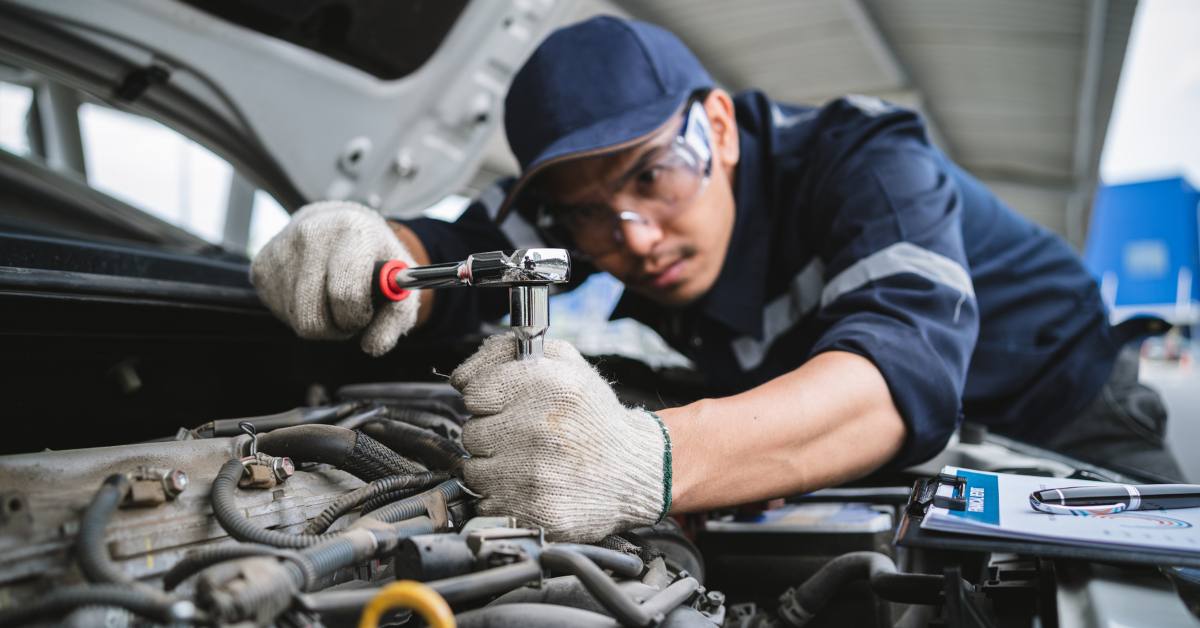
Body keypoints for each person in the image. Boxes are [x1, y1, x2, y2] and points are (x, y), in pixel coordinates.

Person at [250, 16, 1185, 542]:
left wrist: (646, 460)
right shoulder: (595, 211)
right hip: (889, 453)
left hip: (1063, 411)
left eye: (652, 175)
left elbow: (900, 371)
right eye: (583, 212)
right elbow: (463, 252)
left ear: (723, 131)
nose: (630, 234)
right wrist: (371, 247)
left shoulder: (869, 161)